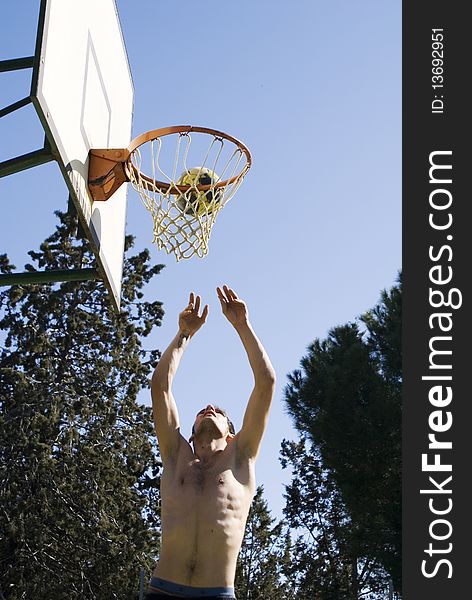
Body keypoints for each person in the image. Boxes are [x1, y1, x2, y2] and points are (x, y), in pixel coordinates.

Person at [146, 285, 276, 600]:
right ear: (191, 433)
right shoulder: (177, 455)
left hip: (217, 593)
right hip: (162, 591)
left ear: (230, 435)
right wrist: (183, 335)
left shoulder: (241, 457)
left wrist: (242, 325)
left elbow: (266, 382)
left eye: (217, 411)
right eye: (203, 411)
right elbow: (160, 387)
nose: (209, 408)